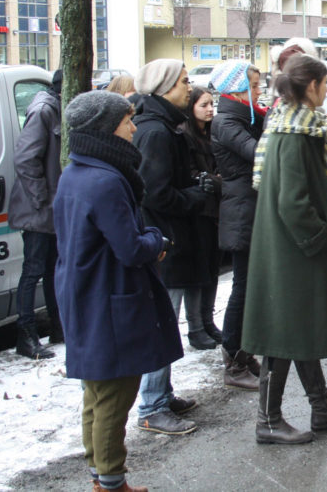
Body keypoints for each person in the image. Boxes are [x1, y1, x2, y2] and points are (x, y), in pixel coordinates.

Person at [53, 91, 181, 492]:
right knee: (114, 395)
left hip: (85, 295)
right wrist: (157, 240)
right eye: (127, 121)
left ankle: (100, 475)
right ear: (105, 129)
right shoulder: (106, 180)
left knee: (96, 393)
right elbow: (130, 248)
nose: (133, 128)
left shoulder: (75, 173)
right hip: (110, 299)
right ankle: (111, 482)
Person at [241, 55, 327, 444]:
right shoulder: (296, 133)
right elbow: (293, 204)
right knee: (283, 332)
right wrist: (323, 238)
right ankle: (268, 420)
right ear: (312, 86)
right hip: (293, 249)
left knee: (296, 327)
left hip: (288, 246)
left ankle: (321, 408)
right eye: (325, 83)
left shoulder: (291, 124)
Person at [132, 59, 211, 435]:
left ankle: (161, 395)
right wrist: (195, 195)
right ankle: (152, 404)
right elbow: (155, 192)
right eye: (183, 81)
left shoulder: (164, 125)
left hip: (170, 235)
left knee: (166, 321)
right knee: (162, 323)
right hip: (165, 239)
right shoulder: (156, 132)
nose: (189, 86)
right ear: (164, 88)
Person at [210, 61, 265, 391]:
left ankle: (243, 352)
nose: (259, 91)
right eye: (253, 86)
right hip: (243, 212)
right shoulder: (227, 122)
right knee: (242, 289)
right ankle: (233, 359)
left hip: (250, 209)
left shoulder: (246, 117)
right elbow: (257, 153)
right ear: (237, 90)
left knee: (249, 287)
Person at [8, 68, 63, 360]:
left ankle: (58, 326)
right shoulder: (44, 110)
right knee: (33, 270)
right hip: (39, 209)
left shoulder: (56, 109)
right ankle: (26, 335)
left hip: (49, 207)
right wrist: (43, 200)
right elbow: (25, 159)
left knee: (53, 268)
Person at [179, 86, 223, 347]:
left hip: (215, 208)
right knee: (199, 271)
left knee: (212, 268)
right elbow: (193, 174)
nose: (210, 110)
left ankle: (207, 321)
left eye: (211, 104)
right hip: (199, 210)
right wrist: (214, 181)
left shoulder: (212, 132)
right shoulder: (185, 135)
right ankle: (196, 326)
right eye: (203, 105)